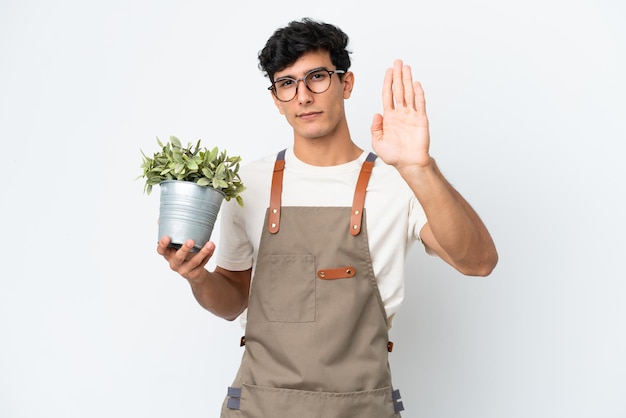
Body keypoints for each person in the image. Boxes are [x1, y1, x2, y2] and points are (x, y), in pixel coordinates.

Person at [157, 17, 498, 418]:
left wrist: (420, 167)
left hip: (361, 408)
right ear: (276, 98)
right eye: (286, 83)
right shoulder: (247, 183)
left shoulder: (400, 182)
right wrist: (199, 277)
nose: (303, 96)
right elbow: (232, 300)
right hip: (259, 407)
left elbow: (478, 263)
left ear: (346, 84)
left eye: (317, 77)